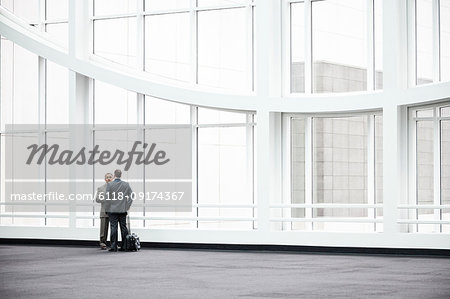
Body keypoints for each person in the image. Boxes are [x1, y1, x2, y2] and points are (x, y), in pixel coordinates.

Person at [105, 169, 133, 252]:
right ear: (121, 175)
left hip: (112, 210)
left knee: (113, 227)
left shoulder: (110, 184)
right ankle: (124, 246)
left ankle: (114, 246)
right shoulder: (126, 184)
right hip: (122, 209)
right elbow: (131, 196)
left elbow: (107, 198)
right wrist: (127, 205)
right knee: (123, 227)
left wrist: (107, 208)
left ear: (114, 175)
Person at [94, 172, 113, 250]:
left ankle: (113, 244)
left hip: (113, 211)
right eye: (107, 177)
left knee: (113, 229)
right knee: (103, 229)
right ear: (105, 179)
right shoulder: (100, 188)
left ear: (112, 179)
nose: (108, 178)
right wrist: (105, 198)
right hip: (104, 211)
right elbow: (97, 199)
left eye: (110, 177)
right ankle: (102, 243)